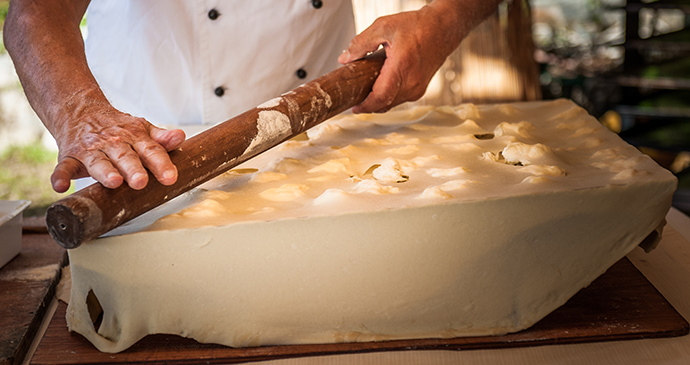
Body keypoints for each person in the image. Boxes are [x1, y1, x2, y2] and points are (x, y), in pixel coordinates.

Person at [4, 0, 501, 193]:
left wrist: (443, 18)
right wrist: (83, 115)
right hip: (147, 156)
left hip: (325, 148)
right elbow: (33, 15)